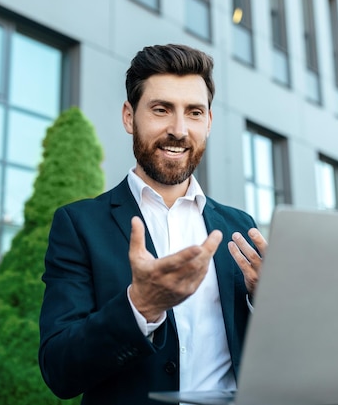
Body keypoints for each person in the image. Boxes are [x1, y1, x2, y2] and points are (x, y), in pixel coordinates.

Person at [38, 44, 267, 405]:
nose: (178, 129)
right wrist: (140, 307)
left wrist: (267, 302)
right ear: (129, 117)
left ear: (208, 122)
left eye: (193, 112)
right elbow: (59, 370)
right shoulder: (79, 225)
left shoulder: (240, 227)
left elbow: (264, 353)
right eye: (161, 110)